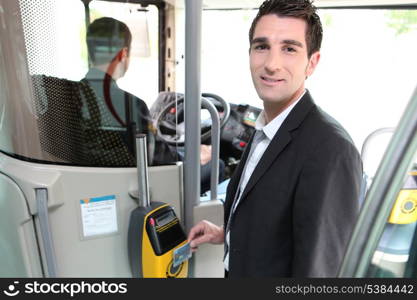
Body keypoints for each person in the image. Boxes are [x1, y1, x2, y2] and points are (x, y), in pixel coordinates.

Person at [188, 0, 363, 277]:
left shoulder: (331, 149)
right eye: (262, 47)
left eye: (289, 49)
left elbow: (319, 270)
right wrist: (226, 233)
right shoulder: (264, 128)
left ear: (312, 63)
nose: (271, 64)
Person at [83, 17, 218, 190]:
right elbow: (159, 159)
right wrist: (197, 156)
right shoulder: (130, 105)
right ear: (123, 54)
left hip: (92, 184)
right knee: (217, 164)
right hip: (133, 187)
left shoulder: (71, 97)